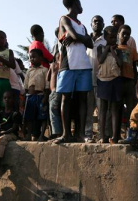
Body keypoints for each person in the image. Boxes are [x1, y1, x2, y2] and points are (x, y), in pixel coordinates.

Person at [55, 0, 93, 143]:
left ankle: (81, 134)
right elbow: (78, 37)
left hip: (83, 65)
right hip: (68, 65)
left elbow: (91, 44)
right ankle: (66, 134)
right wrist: (77, 37)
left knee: (82, 99)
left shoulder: (82, 26)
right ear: (74, 4)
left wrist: (77, 38)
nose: (81, 5)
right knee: (66, 99)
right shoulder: (64, 19)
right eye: (79, 3)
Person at [96, 26, 122, 143]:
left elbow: (120, 63)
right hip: (103, 81)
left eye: (114, 37)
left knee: (114, 109)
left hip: (115, 80)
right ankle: (102, 136)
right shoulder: (100, 48)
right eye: (110, 37)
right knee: (103, 109)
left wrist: (113, 52)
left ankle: (115, 136)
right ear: (105, 37)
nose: (113, 40)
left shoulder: (119, 50)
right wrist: (107, 49)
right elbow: (100, 60)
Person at [85, 15, 107, 142]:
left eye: (100, 21)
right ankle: (88, 135)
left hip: (101, 80)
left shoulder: (105, 41)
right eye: (95, 21)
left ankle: (101, 135)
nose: (97, 23)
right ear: (91, 24)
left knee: (101, 111)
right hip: (87, 80)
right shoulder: (85, 40)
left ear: (103, 24)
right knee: (88, 110)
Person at [117, 25, 138, 144]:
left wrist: (134, 81)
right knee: (117, 109)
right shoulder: (115, 48)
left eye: (128, 34)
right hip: (118, 81)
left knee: (131, 110)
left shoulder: (132, 50)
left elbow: (135, 67)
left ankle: (131, 135)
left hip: (129, 81)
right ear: (118, 33)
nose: (125, 36)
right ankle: (116, 135)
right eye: (123, 33)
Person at [23, 49, 50, 141]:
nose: (32, 59)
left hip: (40, 96)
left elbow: (47, 85)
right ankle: (29, 135)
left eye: (34, 57)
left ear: (41, 58)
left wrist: (45, 98)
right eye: (30, 58)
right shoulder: (29, 71)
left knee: (42, 117)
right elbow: (26, 86)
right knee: (30, 117)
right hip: (30, 97)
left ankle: (42, 135)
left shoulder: (45, 70)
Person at [48, 29, 63, 140]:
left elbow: (48, 77)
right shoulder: (54, 65)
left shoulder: (58, 65)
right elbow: (48, 77)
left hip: (58, 90)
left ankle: (58, 133)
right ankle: (56, 133)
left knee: (55, 111)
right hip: (54, 91)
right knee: (54, 112)